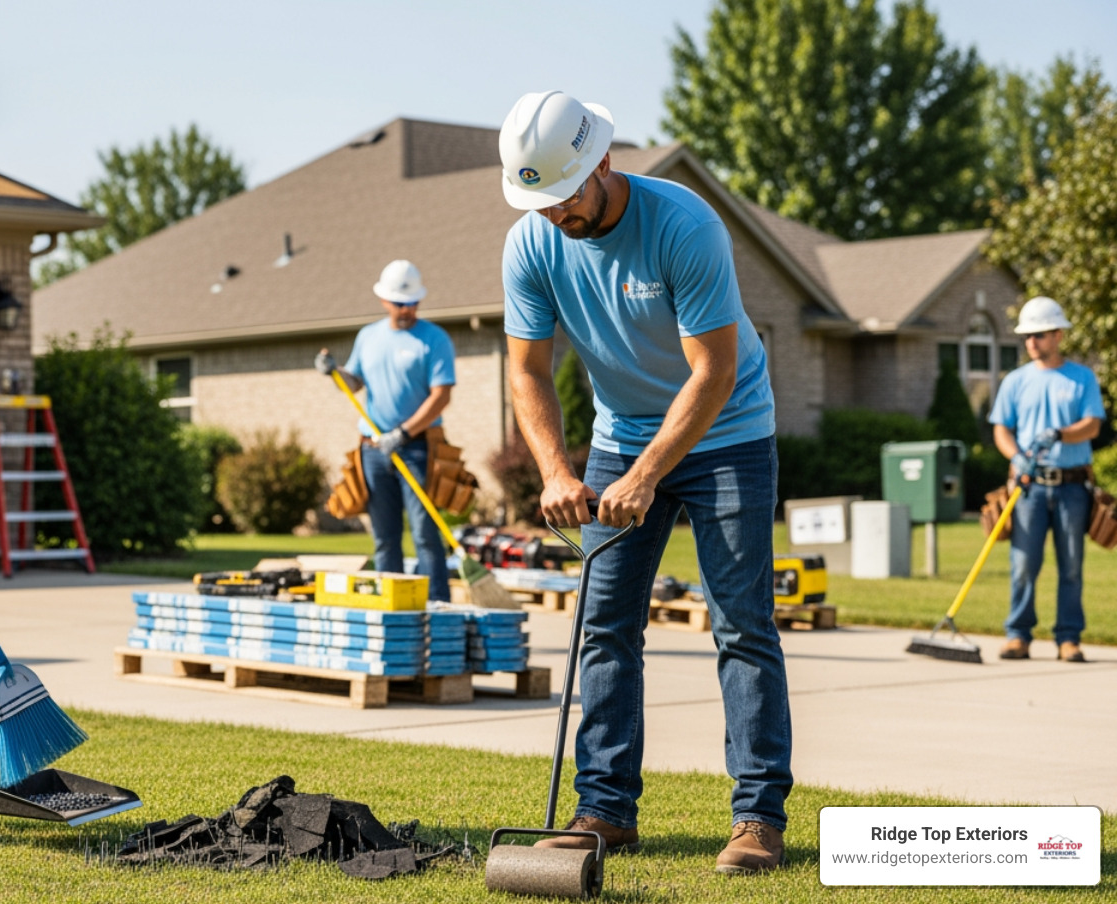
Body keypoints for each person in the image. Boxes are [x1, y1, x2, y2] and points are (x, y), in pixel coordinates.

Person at [498, 91, 790, 875]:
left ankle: (758, 818)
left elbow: (715, 370)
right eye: (540, 201)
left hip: (729, 433)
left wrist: (647, 476)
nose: (555, 214)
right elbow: (526, 370)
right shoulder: (531, 244)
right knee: (605, 625)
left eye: (564, 196)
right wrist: (559, 470)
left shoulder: (682, 224)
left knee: (741, 625)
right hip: (618, 437)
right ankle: (604, 811)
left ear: (601, 164)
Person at [315, 260, 455, 603]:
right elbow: (355, 382)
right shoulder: (369, 336)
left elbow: (441, 396)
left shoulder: (434, 339)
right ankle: (392, 607)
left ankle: (436, 607)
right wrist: (335, 372)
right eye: (399, 303)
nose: (406, 309)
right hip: (374, 450)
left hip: (418, 447)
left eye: (411, 302)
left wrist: (404, 433)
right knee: (384, 536)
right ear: (384, 300)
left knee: (424, 534)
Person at [990, 296, 1106, 663]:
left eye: (1039, 335)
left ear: (1057, 335)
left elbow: (1092, 425)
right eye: (1027, 336)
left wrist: (1058, 434)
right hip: (1029, 488)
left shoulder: (1081, 378)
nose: (1031, 343)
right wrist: (1017, 456)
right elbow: (1001, 430)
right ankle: (1018, 635)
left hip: (1072, 487)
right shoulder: (1015, 381)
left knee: (1071, 565)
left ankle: (1068, 638)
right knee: (1024, 563)